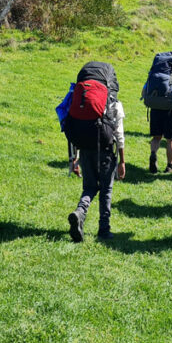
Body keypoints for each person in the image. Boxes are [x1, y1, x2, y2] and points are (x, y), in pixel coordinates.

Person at [62, 62, 126, 242]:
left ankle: (80, 212)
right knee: (106, 189)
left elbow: (70, 124)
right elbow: (119, 133)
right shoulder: (111, 100)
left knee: (90, 186)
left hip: (84, 148)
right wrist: (122, 161)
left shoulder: (78, 96)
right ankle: (104, 229)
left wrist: (73, 159)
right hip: (105, 150)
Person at [142, 52, 172, 174]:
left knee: (156, 138)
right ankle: (170, 166)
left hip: (155, 110)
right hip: (170, 111)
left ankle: (153, 153)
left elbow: (144, 92)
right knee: (170, 140)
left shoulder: (153, 76)